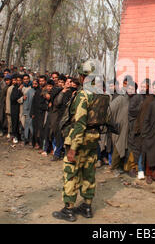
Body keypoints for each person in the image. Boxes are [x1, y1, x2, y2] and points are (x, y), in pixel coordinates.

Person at [52, 61, 108, 222]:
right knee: (89, 174)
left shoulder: (84, 95)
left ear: (84, 77)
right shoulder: (102, 95)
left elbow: (80, 123)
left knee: (71, 174)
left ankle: (68, 209)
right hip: (93, 140)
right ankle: (87, 206)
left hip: (79, 141)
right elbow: (106, 119)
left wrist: (72, 148)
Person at [128, 78, 152, 180]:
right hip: (135, 125)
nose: (143, 88)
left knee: (142, 149)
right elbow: (131, 110)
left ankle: (140, 169)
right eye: (141, 86)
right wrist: (142, 109)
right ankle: (132, 168)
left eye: (145, 86)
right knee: (134, 148)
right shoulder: (137, 97)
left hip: (145, 127)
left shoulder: (149, 98)